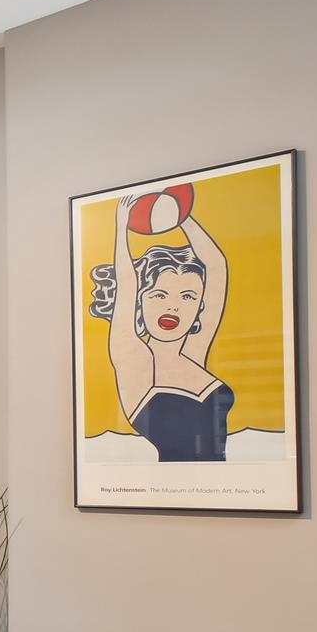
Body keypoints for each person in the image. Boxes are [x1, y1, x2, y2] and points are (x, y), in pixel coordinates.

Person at [89, 195, 232, 461]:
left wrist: (180, 214)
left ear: (200, 305)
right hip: (173, 490)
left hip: (217, 490)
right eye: (159, 295)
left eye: (188, 296)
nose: (173, 307)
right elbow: (126, 281)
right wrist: (121, 228)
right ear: (139, 300)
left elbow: (217, 267)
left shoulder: (192, 352)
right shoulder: (135, 358)